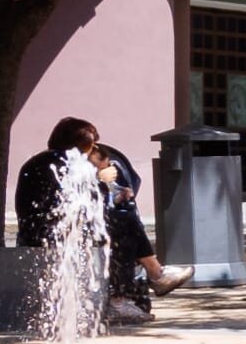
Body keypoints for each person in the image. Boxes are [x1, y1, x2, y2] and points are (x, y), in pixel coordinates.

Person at [16, 116, 161, 324]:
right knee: (122, 221)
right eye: (91, 144)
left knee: (120, 218)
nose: (95, 148)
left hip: (45, 229)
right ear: (80, 143)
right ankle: (128, 292)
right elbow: (78, 204)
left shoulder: (46, 160)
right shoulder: (63, 162)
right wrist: (107, 187)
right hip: (49, 233)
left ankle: (150, 276)